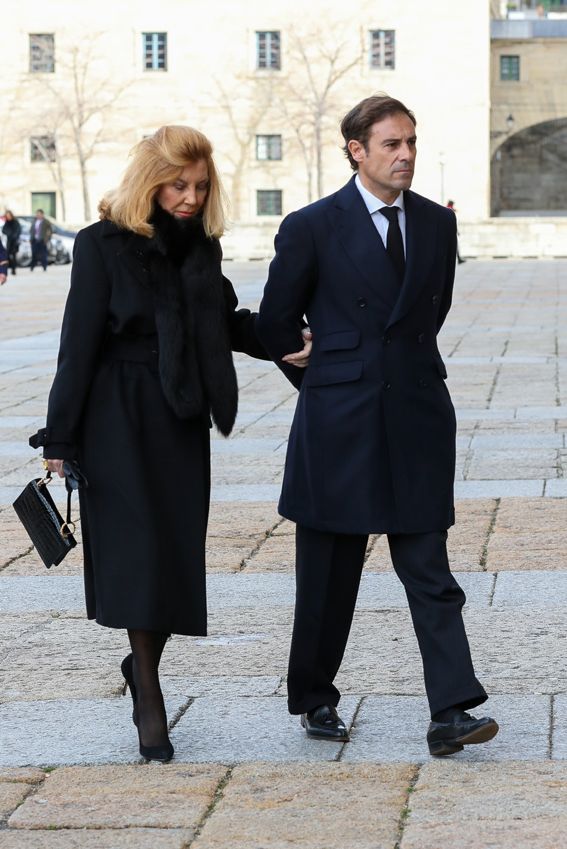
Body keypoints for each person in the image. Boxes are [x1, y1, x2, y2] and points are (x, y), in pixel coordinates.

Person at [30, 125, 311, 763]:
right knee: (137, 551)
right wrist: (60, 434)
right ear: (150, 180)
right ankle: (150, 695)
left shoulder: (199, 248)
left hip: (180, 418)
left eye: (200, 186)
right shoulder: (101, 245)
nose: (189, 197)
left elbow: (228, 324)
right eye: (179, 184)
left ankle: (141, 667)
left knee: (172, 553)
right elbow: (78, 344)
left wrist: (290, 340)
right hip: (115, 417)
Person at [257, 95, 498, 757]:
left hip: (416, 416)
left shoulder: (434, 224)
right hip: (338, 424)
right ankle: (314, 696)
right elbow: (276, 323)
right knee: (329, 576)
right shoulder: (311, 226)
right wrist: (328, 374)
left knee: (428, 567)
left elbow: (429, 316)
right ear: (355, 151)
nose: (405, 155)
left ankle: (451, 709)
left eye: (411, 142)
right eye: (391, 144)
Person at [2, 211, 21, 275]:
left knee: (13, 256)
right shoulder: (7, 223)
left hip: (14, 242)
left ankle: (13, 269)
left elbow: (18, 231)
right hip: (9, 242)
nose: (8, 217)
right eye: (7, 216)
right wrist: (8, 233)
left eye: (9, 215)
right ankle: (6, 270)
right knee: (7, 256)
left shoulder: (15, 222)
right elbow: (4, 230)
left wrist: (14, 236)